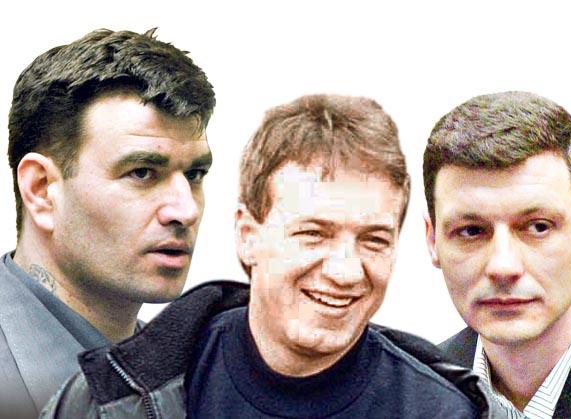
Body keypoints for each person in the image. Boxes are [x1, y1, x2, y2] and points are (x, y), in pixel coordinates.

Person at [42, 95, 502, 418]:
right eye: (313, 234)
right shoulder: (115, 400)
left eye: (374, 240)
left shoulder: (444, 411)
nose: (345, 271)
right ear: (248, 235)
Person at [1, 28, 215, 418]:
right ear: (41, 190)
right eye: (142, 172)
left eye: (195, 174)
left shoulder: (196, 380)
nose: (186, 210)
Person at [423, 91, 571, 418]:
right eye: (471, 231)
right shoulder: (409, 395)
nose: (503, 266)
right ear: (432, 241)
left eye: (538, 227)